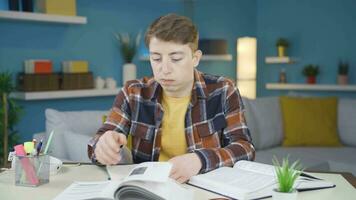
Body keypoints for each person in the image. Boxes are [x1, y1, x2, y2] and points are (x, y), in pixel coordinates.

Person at [88, 13, 255, 183]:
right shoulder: (133, 93)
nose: (164, 69)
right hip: (149, 189)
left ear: (195, 58)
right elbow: (97, 142)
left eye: (175, 59)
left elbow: (245, 149)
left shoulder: (224, 90)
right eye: (156, 58)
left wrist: (199, 160)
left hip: (204, 189)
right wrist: (102, 146)